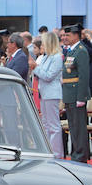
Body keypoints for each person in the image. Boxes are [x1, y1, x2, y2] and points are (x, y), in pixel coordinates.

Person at [61, 25, 91, 162]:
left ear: (76, 35)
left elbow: (84, 76)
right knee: (73, 127)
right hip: (69, 92)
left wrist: (81, 97)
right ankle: (76, 152)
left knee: (79, 127)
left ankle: (81, 155)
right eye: (64, 35)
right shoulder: (71, 51)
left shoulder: (81, 51)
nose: (65, 38)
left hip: (76, 93)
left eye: (68, 35)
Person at [32, 31, 63, 159]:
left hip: (52, 93)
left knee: (53, 125)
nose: (42, 45)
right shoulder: (45, 57)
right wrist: (36, 68)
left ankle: (56, 152)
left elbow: (49, 76)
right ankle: (48, 149)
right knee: (45, 123)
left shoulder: (57, 57)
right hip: (44, 92)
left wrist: (35, 67)